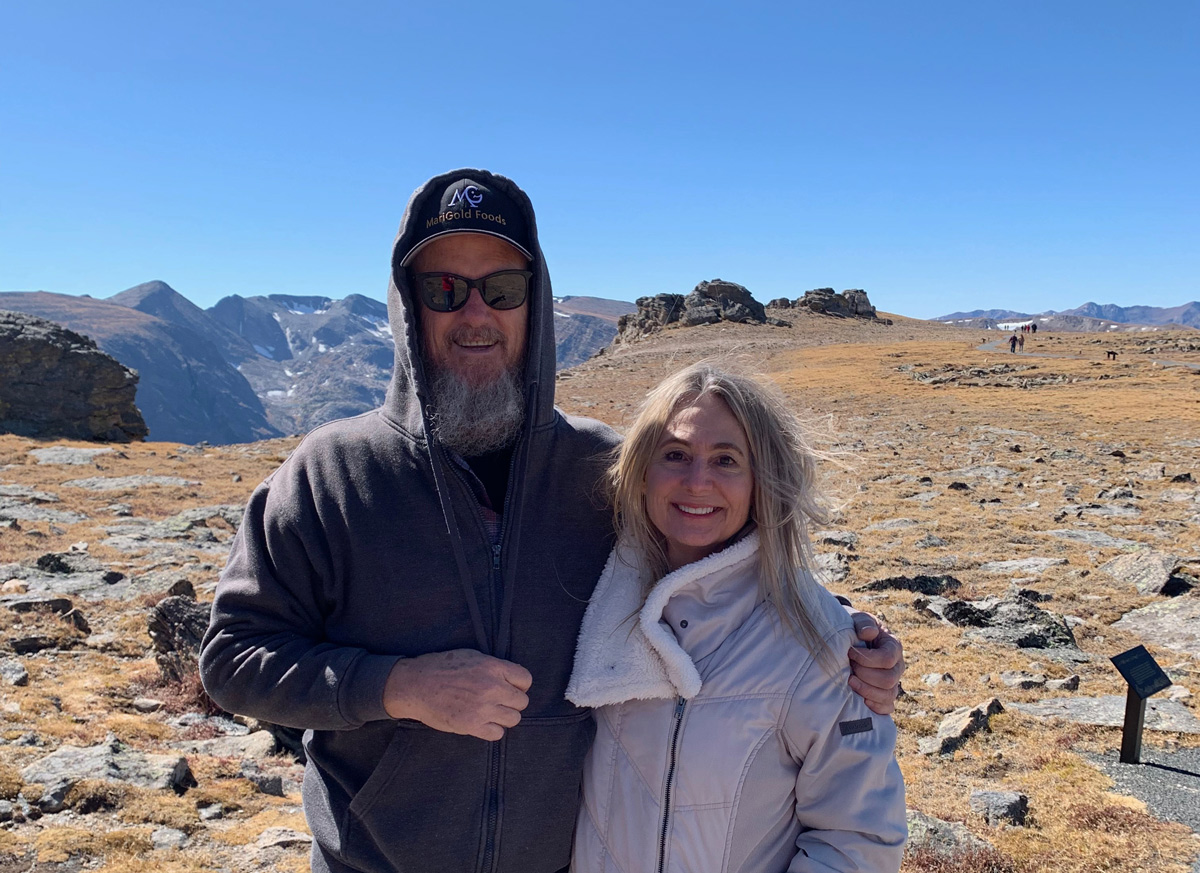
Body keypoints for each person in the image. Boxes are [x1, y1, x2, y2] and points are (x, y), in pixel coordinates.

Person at [199, 169, 906, 873]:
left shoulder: (600, 469)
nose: (475, 314)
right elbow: (233, 658)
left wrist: (838, 631)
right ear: (408, 307)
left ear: (533, 306)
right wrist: (398, 686)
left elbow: (702, 564)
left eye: (501, 289)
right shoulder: (331, 474)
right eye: (444, 289)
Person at [567, 364, 906, 872]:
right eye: (675, 454)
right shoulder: (593, 598)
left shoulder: (820, 643)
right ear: (642, 469)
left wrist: (842, 632)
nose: (697, 481)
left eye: (726, 460)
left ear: (761, 480)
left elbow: (858, 840)